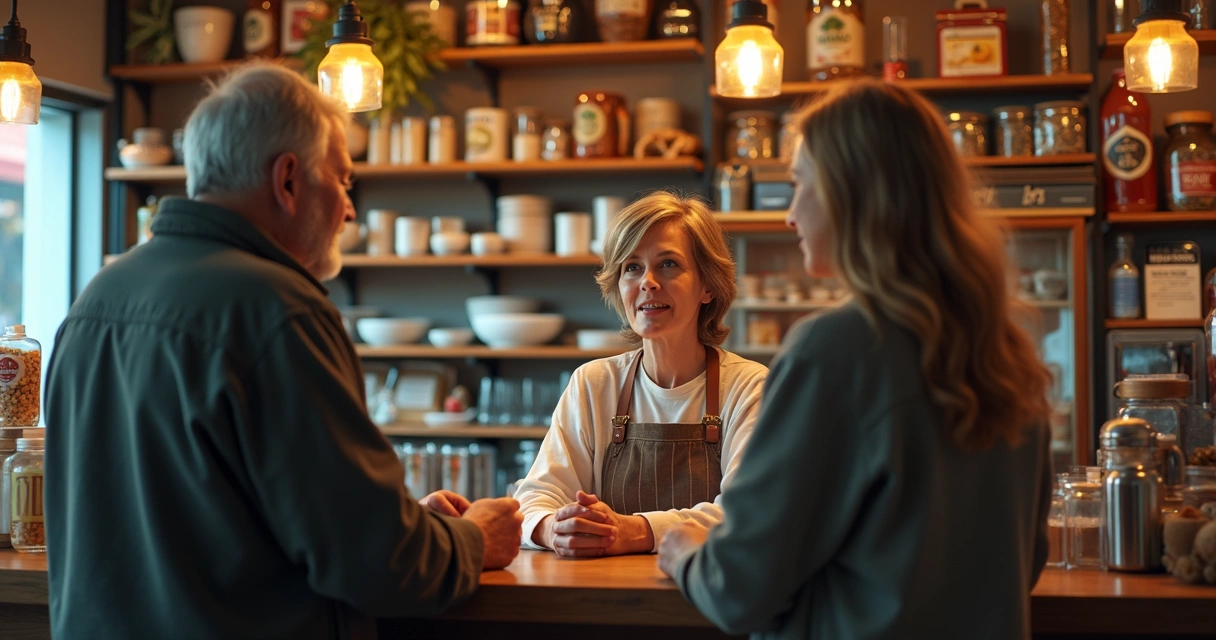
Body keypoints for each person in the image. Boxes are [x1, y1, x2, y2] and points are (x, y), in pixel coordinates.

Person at [43, 62, 522, 640]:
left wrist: (402, 523)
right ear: (288, 180)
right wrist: (472, 540)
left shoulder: (98, 297)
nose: (349, 209)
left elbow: (203, 519)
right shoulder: (276, 309)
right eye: (343, 181)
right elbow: (379, 567)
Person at [658, 79, 1054, 639]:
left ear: (851, 191)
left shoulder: (836, 349)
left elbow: (738, 588)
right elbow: (1025, 560)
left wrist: (687, 556)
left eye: (799, 185)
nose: (790, 215)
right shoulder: (1007, 351)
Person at [515, 192, 769, 558]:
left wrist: (633, 530)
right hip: (607, 600)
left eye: (668, 264)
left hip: (708, 598)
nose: (647, 281)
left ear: (708, 286)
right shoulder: (593, 384)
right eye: (632, 267)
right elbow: (535, 496)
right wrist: (553, 528)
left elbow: (749, 511)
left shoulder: (749, 387)